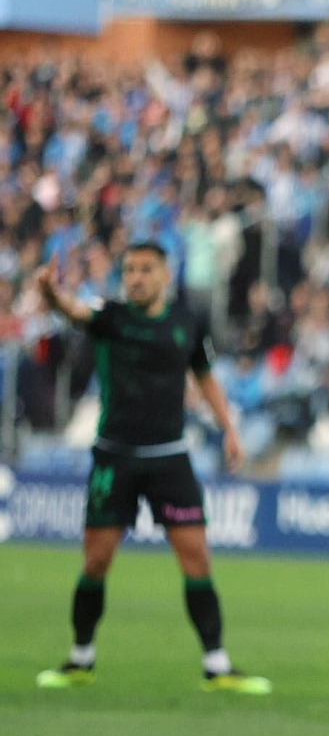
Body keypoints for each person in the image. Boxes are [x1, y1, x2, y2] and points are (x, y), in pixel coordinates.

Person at [32, 244, 270, 695]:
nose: (136, 278)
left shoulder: (186, 323)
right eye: (129, 270)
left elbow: (204, 376)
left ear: (165, 275)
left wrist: (229, 429)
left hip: (169, 458)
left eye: (145, 270)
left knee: (196, 557)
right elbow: (72, 311)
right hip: (115, 456)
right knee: (97, 560)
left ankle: (216, 665)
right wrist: (49, 292)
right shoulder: (112, 316)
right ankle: (81, 657)